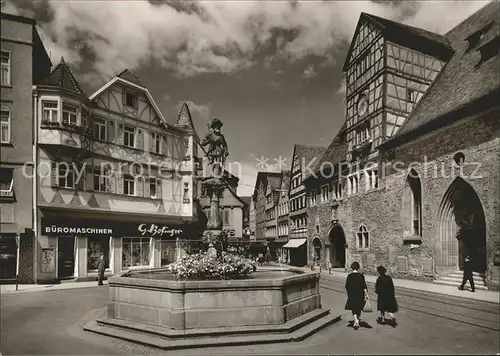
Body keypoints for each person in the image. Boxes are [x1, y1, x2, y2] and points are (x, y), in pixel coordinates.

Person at [345, 261, 369, 330]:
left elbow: (346, 286)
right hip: (360, 294)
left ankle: (356, 320)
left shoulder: (349, 276)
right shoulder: (361, 276)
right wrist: (366, 294)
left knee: (353, 308)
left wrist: (349, 292)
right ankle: (357, 320)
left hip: (352, 294)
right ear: (358, 268)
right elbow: (364, 286)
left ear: (352, 268)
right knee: (359, 307)